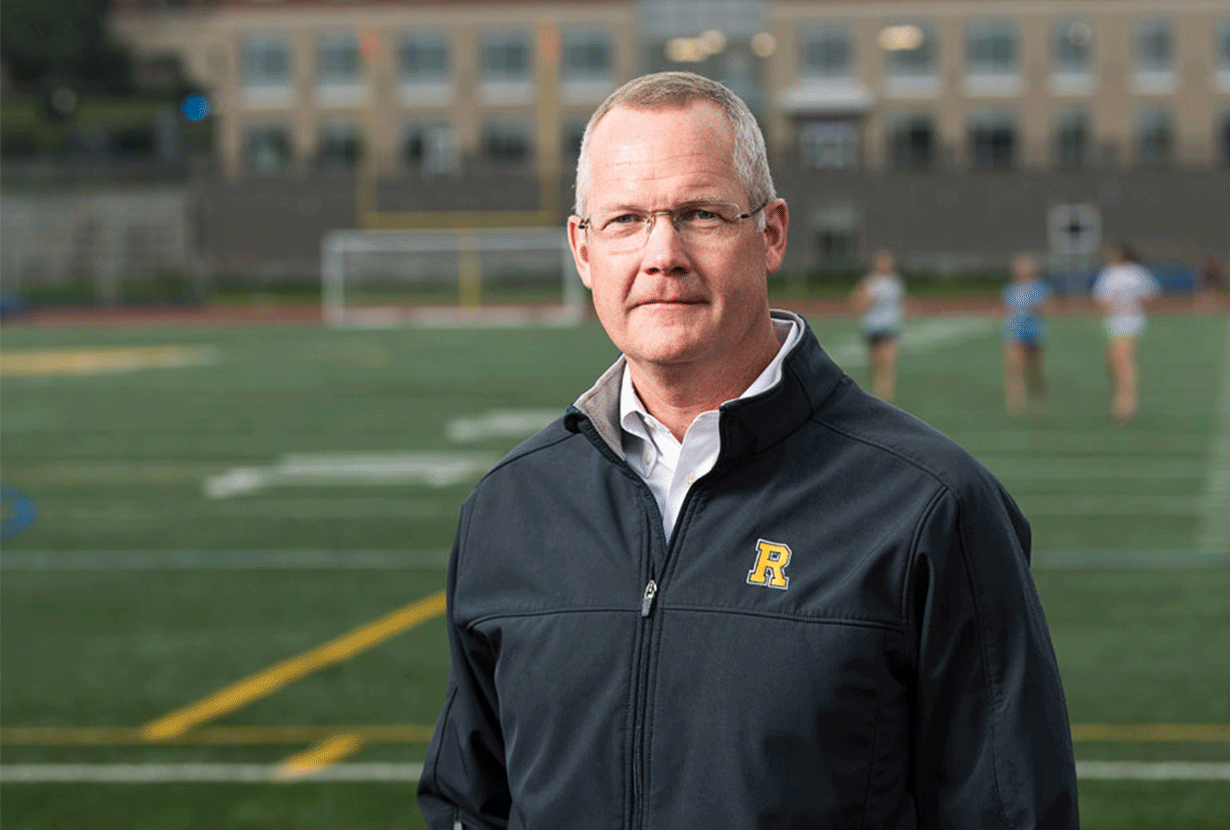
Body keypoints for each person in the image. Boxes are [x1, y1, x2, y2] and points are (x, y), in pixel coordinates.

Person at [418, 72, 1078, 829]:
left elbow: (1010, 809)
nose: (661, 254)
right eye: (626, 219)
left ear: (770, 233)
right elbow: (470, 805)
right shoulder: (508, 507)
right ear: (582, 248)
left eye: (700, 213)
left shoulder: (930, 505)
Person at [1092, 242, 1161, 421]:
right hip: (1112, 323)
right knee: (1112, 363)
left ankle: (1126, 403)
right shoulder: (1108, 273)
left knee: (1124, 360)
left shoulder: (1136, 273)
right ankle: (1120, 396)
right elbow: (1100, 299)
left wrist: (1133, 304)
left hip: (1130, 322)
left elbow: (1151, 295)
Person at [850, 249, 905, 401]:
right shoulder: (870, 281)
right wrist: (863, 304)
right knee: (875, 365)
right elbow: (858, 301)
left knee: (887, 364)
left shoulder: (895, 281)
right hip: (873, 327)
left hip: (890, 327)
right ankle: (879, 393)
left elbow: (899, 302)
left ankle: (885, 396)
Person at [1002, 254, 1053, 415]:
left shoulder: (1039, 287)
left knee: (1034, 370)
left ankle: (1037, 400)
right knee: (1014, 369)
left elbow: (1047, 307)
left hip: (1034, 333)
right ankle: (1015, 405)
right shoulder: (1011, 288)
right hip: (1014, 333)